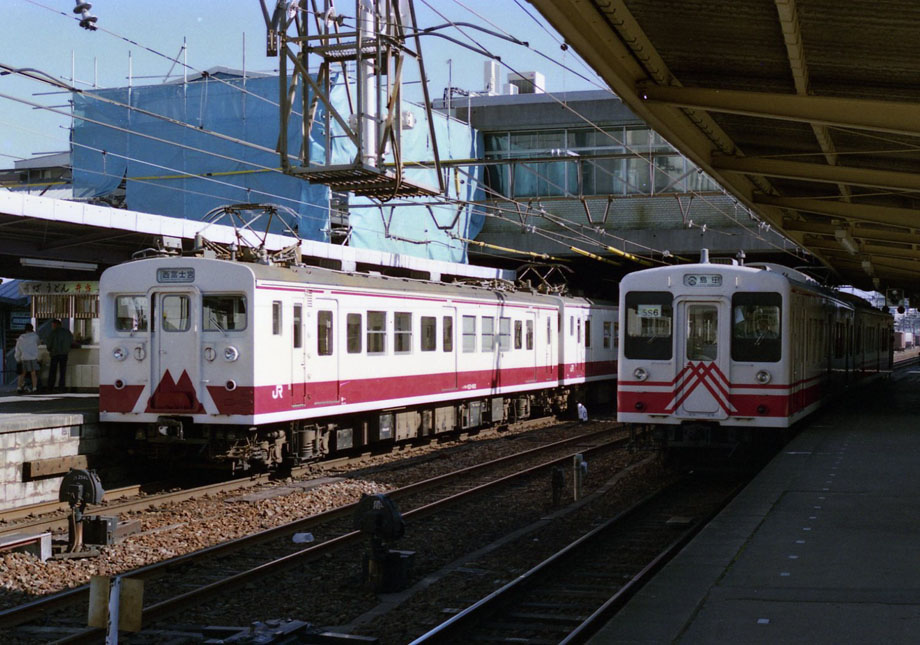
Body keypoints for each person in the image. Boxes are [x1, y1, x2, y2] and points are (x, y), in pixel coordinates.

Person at [46, 319, 74, 392]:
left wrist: (50, 350)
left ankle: (50, 387)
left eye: (53, 325)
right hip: (64, 354)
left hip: (54, 354)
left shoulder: (53, 333)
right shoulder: (67, 332)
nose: (52, 327)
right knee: (62, 372)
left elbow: (49, 344)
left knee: (52, 371)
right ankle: (61, 387)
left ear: (55, 325)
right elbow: (71, 341)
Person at [14, 323, 39, 395]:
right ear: (32, 329)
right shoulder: (35, 336)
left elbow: (17, 349)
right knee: (33, 373)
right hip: (33, 357)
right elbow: (38, 343)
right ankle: (34, 388)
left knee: (22, 374)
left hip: (24, 357)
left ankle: (19, 387)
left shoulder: (21, 337)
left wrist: (17, 358)